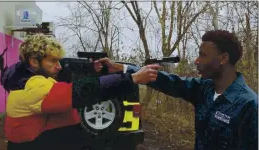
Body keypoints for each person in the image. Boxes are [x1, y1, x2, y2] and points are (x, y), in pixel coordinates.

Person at [94, 30, 258, 150]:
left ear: (223, 58)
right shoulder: (203, 89)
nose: (196, 60)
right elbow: (167, 81)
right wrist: (121, 68)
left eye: (203, 55)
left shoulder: (249, 105)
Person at [1, 33, 160, 150]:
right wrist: (131, 79)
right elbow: (81, 91)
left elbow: (65, 71)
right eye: (53, 61)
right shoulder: (34, 87)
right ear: (34, 61)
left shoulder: (24, 78)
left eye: (59, 60)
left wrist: (89, 68)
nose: (59, 66)